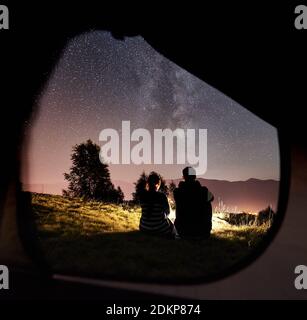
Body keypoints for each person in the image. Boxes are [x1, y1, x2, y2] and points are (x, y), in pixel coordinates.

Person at [174, 167, 214, 238]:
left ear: (183, 177)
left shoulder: (177, 192)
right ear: (195, 176)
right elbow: (212, 198)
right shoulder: (204, 191)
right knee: (208, 201)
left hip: (183, 231)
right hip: (202, 232)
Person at [139, 172, 176, 238]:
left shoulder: (142, 195)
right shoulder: (161, 196)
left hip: (144, 228)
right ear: (158, 184)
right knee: (172, 226)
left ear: (148, 183)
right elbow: (168, 213)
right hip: (159, 229)